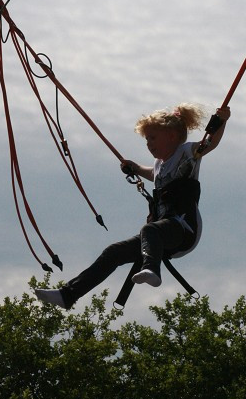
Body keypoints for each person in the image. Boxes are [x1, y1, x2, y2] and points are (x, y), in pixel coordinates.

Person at [35, 103, 230, 310]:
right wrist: (134, 168)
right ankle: (68, 295)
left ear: (172, 136)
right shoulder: (160, 165)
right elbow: (152, 174)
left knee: (149, 229)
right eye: (147, 139)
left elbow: (210, 143)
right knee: (113, 252)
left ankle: (152, 270)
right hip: (159, 234)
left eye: (153, 138)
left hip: (183, 229)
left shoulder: (187, 152)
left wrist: (222, 121)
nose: (148, 144)